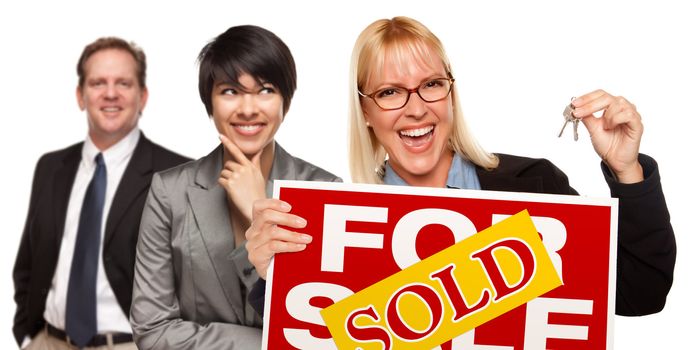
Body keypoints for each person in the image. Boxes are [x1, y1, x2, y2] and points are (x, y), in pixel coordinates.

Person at [245, 16, 675, 318]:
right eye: (391, 92)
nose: (416, 109)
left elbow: (642, 291)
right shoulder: (331, 230)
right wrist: (274, 278)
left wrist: (627, 170)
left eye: (431, 85)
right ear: (366, 113)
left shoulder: (535, 187)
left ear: (451, 94)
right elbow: (313, 332)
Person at [129, 25, 340, 350]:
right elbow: (152, 331)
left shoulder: (325, 190)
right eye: (230, 91)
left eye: (265, 90)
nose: (248, 108)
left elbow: (326, 331)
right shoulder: (169, 192)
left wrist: (260, 204)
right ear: (209, 102)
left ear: (287, 99)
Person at [12, 37, 190, 349]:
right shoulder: (51, 167)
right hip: (49, 341)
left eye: (123, 83)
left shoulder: (179, 175)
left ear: (143, 97)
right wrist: (26, 333)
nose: (110, 93)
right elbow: (28, 261)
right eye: (98, 83)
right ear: (81, 96)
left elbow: (197, 285)